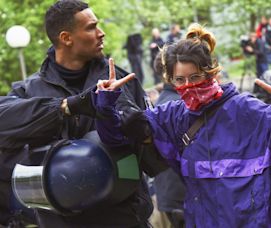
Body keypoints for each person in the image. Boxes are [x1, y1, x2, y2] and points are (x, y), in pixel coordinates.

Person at [95, 23, 271, 227]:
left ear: (212, 72)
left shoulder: (249, 110)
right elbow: (117, 137)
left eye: (196, 77)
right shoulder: (172, 117)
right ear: (170, 80)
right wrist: (105, 103)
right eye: (180, 80)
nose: (189, 86)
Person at [0, 0, 157, 227]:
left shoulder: (122, 83)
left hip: (125, 218)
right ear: (66, 38)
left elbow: (156, 163)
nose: (101, 33)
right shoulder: (28, 90)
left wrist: (146, 137)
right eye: (91, 27)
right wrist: (67, 106)